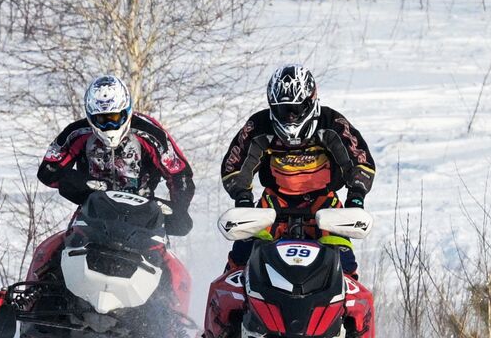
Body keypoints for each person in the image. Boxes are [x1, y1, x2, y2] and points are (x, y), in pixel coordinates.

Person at [220, 63, 376, 277]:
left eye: (295, 109)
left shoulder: (331, 123)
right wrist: (243, 200)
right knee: (240, 259)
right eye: (283, 110)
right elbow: (235, 164)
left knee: (345, 267)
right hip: (274, 202)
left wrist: (356, 198)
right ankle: (228, 306)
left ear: (310, 100)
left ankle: (352, 308)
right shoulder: (259, 125)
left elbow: (360, 159)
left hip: (324, 203)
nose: (290, 117)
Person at [37, 74, 196, 236]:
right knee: (54, 252)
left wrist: (178, 208)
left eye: (114, 117)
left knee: (182, 224)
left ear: (125, 110)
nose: (109, 124)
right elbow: (47, 171)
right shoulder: (77, 133)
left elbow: (180, 174)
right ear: (91, 116)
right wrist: (82, 183)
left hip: (143, 212)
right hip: (92, 211)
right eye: (102, 119)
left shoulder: (150, 134)